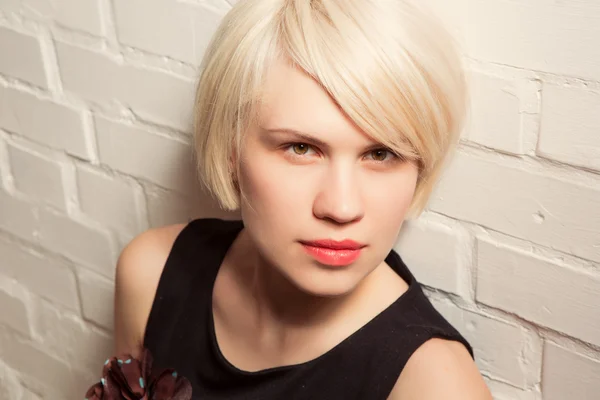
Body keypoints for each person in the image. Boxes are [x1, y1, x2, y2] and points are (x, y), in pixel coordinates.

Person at [113, 0, 492, 398]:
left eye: (381, 154)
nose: (342, 208)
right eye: (300, 148)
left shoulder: (435, 385)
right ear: (230, 149)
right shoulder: (150, 274)